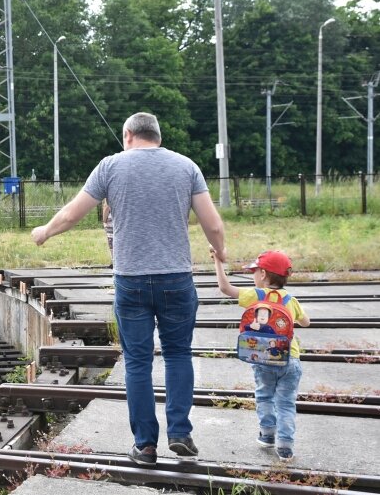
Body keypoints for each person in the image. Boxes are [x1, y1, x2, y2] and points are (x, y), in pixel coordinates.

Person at [31, 112, 226, 466]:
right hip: (176, 279)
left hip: (131, 281)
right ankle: (180, 431)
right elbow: (212, 223)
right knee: (179, 354)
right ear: (158, 137)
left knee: (137, 362)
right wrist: (221, 250)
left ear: (128, 135)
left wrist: (44, 231)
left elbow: (73, 214)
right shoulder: (186, 166)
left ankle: (145, 446)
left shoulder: (110, 167)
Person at [211, 249, 310, 461]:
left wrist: (218, 262)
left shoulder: (257, 295)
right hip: (289, 359)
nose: (253, 276)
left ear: (263, 274)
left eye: (254, 272)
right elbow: (306, 322)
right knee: (286, 403)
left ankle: (267, 436)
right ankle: (285, 447)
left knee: (264, 395)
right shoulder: (291, 300)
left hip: (263, 359)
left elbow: (225, 288)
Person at [102, 199, 113, 267]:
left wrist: (104, 220)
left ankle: (114, 261)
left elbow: (106, 208)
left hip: (111, 222)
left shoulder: (109, 197)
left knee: (111, 242)